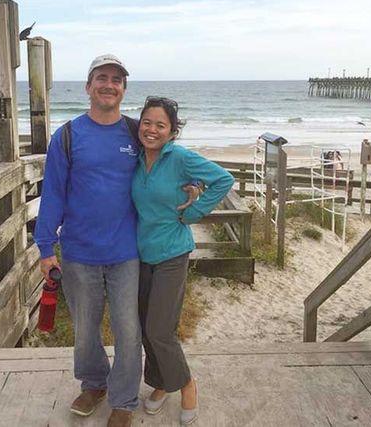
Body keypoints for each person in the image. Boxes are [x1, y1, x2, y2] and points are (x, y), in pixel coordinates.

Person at [33, 55, 197, 427]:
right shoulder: (68, 136)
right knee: (85, 328)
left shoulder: (135, 132)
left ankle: (123, 399)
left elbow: (169, 160)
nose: (109, 84)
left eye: (117, 80)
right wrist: (45, 248)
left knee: (129, 329)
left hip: (127, 252)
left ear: (124, 89)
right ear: (88, 86)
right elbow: (53, 194)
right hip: (78, 252)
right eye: (102, 78)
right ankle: (93, 385)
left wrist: (191, 184)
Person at [132, 96, 234, 425]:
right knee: (146, 329)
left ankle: (187, 385)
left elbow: (223, 179)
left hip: (173, 253)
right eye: (147, 122)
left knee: (160, 329)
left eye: (160, 125)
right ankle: (163, 383)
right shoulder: (135, 158)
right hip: (140, 253)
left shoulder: (179, 157)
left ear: (172, 131)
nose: (152, 129)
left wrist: (194, 212)